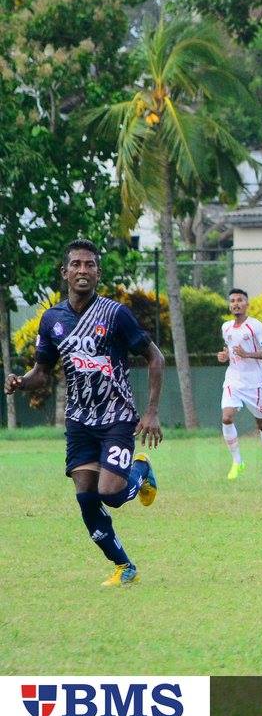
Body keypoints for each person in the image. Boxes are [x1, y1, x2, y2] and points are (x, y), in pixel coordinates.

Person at [4, 240, 164, 587]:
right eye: (76, 264)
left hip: (116, 416)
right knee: (87, 498)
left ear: (98, 273)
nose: (82, 270)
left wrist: (151, 412)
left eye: (89, 265)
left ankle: (140, 470)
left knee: (111, 493)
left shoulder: (115, 314)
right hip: (79, 420)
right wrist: (21, 382)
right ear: (64, 272)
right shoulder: (52, 320)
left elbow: (156, 357)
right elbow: (42, 372)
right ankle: (124, 566)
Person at [217, 288, 262, 481]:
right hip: (233, 379)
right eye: (232, 301)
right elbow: (231, 351)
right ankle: (237, 461)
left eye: (240, 300)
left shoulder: (255, 326)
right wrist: (225, 356)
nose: (236, 303)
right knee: (226, 417)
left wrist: (247, 354)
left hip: (254, 382)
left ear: (247, 304)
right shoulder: (226, 327)